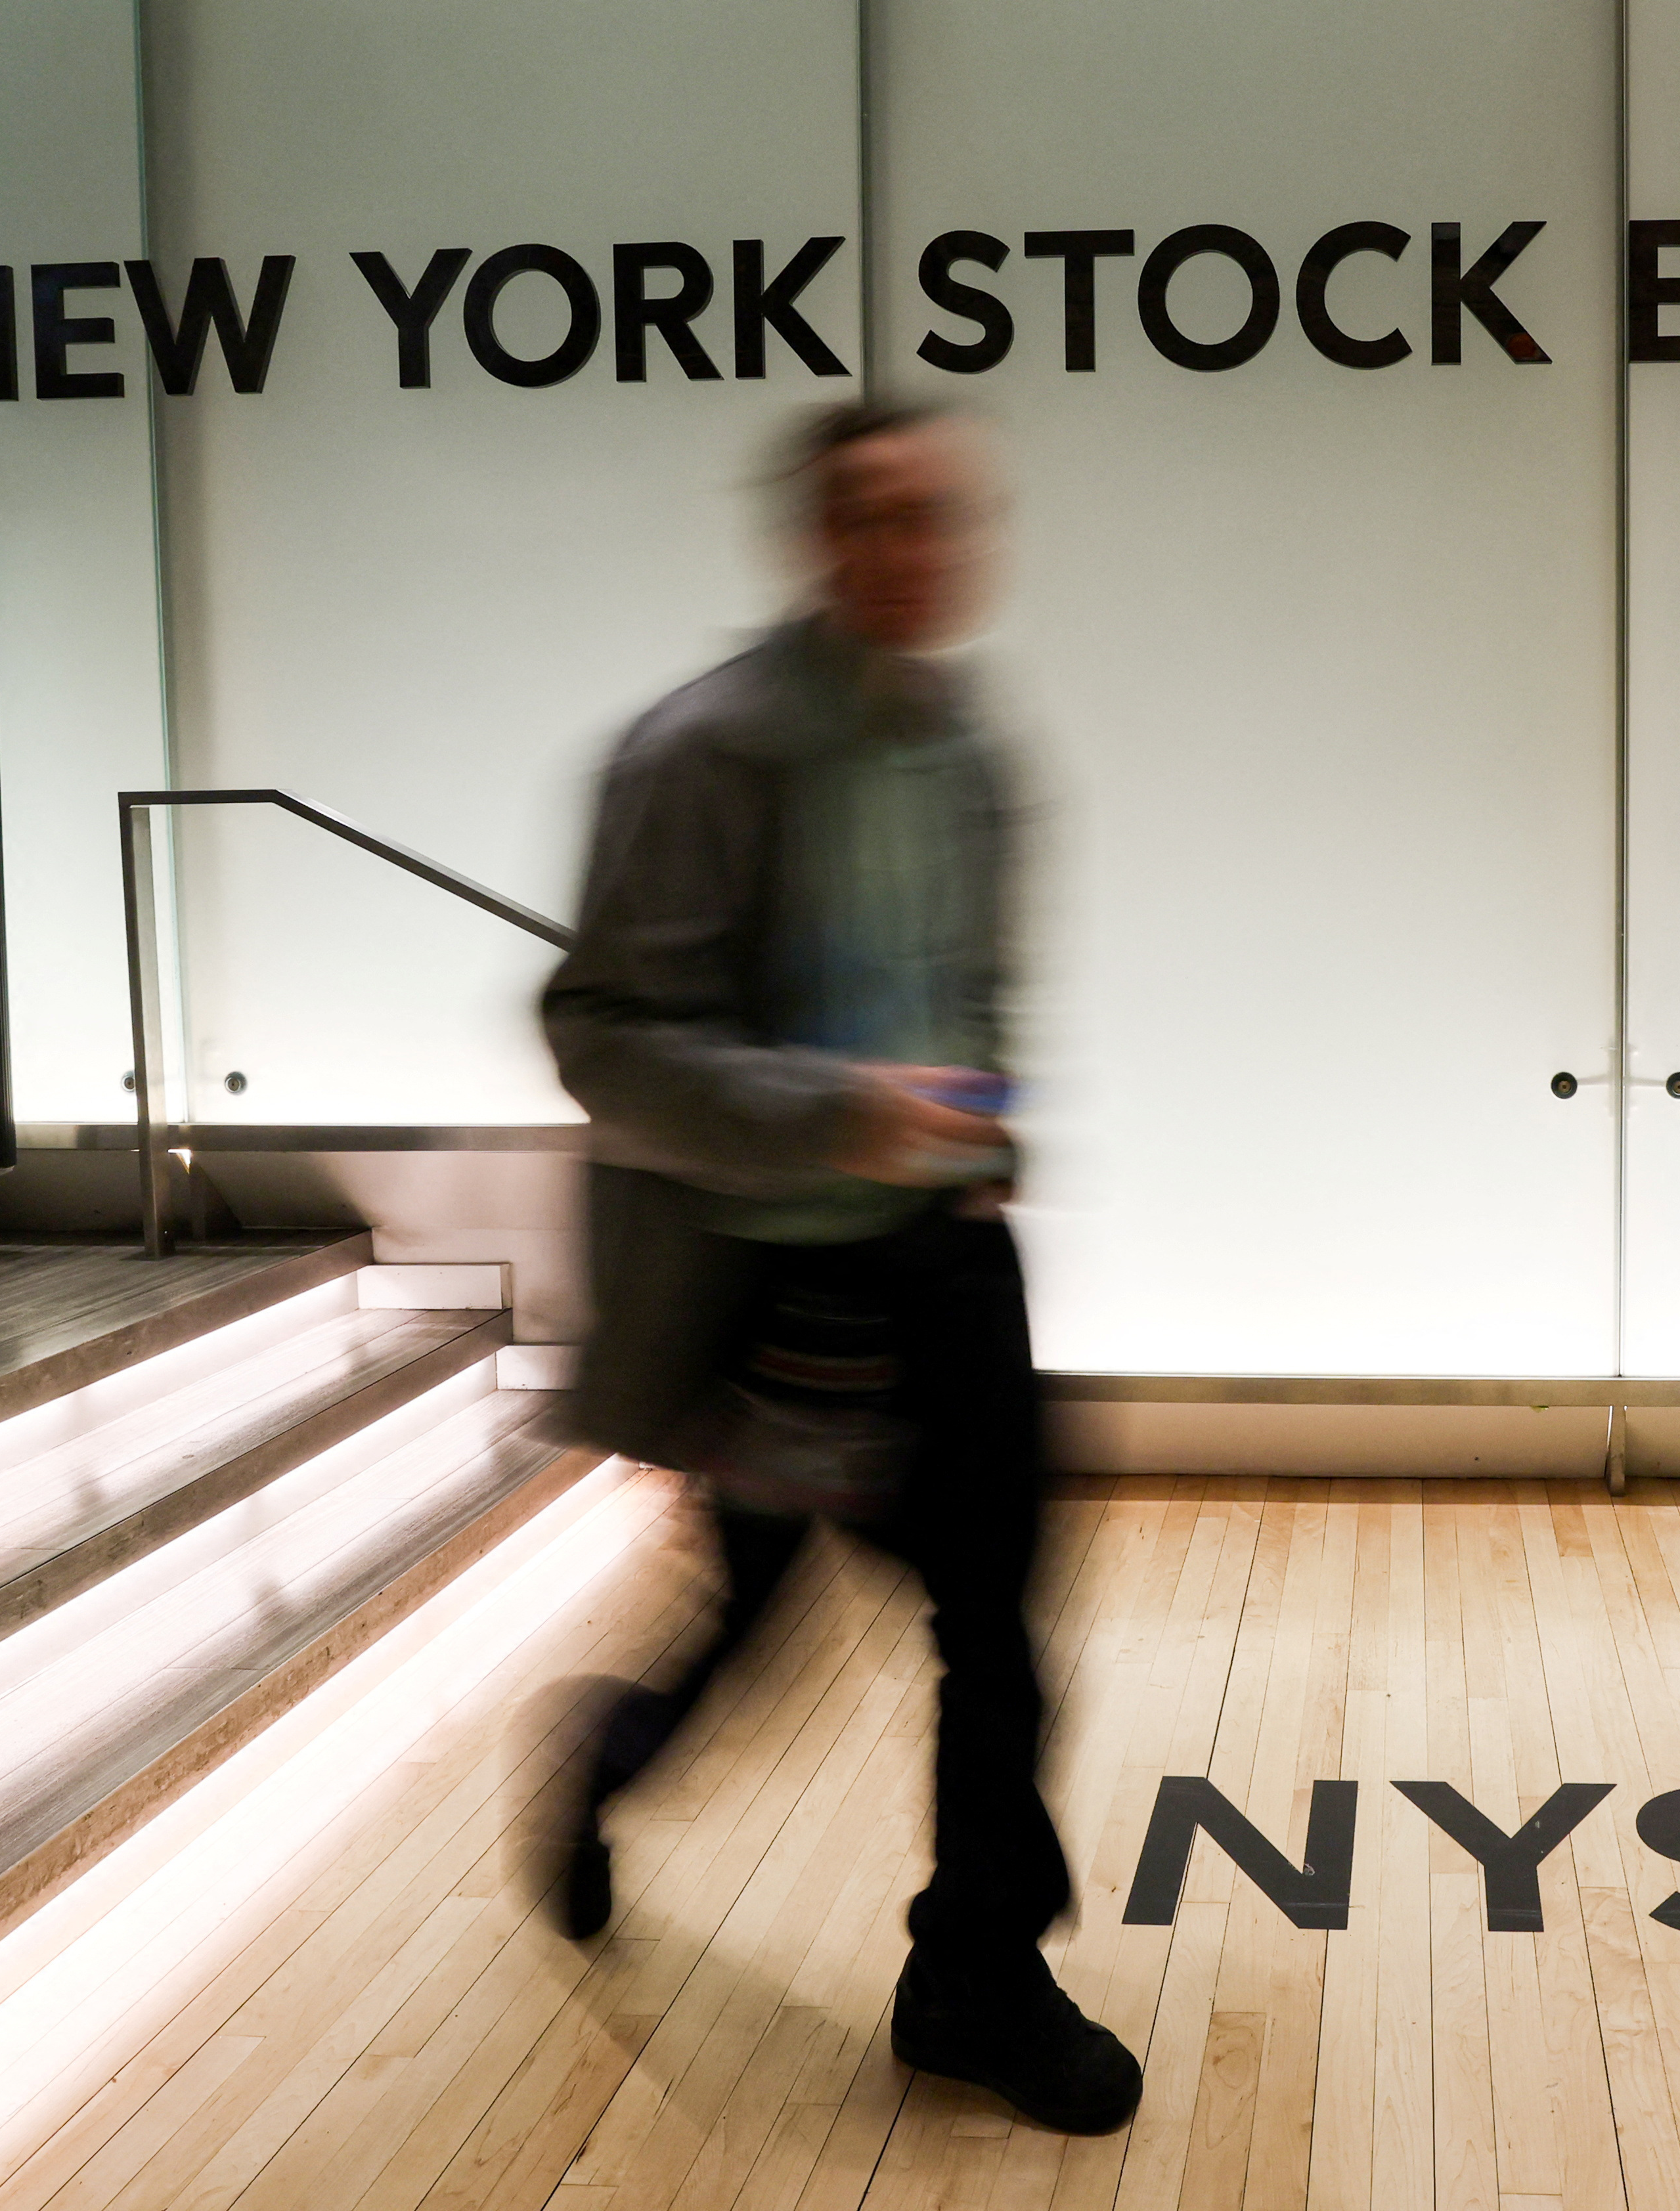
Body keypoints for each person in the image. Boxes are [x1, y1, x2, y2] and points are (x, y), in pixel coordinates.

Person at [537, 402, 1140, 2136]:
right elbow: (601, 1036)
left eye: (942, 512)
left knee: (999, 1627)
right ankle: (600, 1763)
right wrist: (834, 1112)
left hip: (943, 1261)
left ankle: (972, 1978)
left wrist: (983, 1138)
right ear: (813, 540)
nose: (913, 544)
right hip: (766, 1295)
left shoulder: (969, 747)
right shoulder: (697, 755)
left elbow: (978, 998)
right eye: (872, 514)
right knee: (755, 1628)